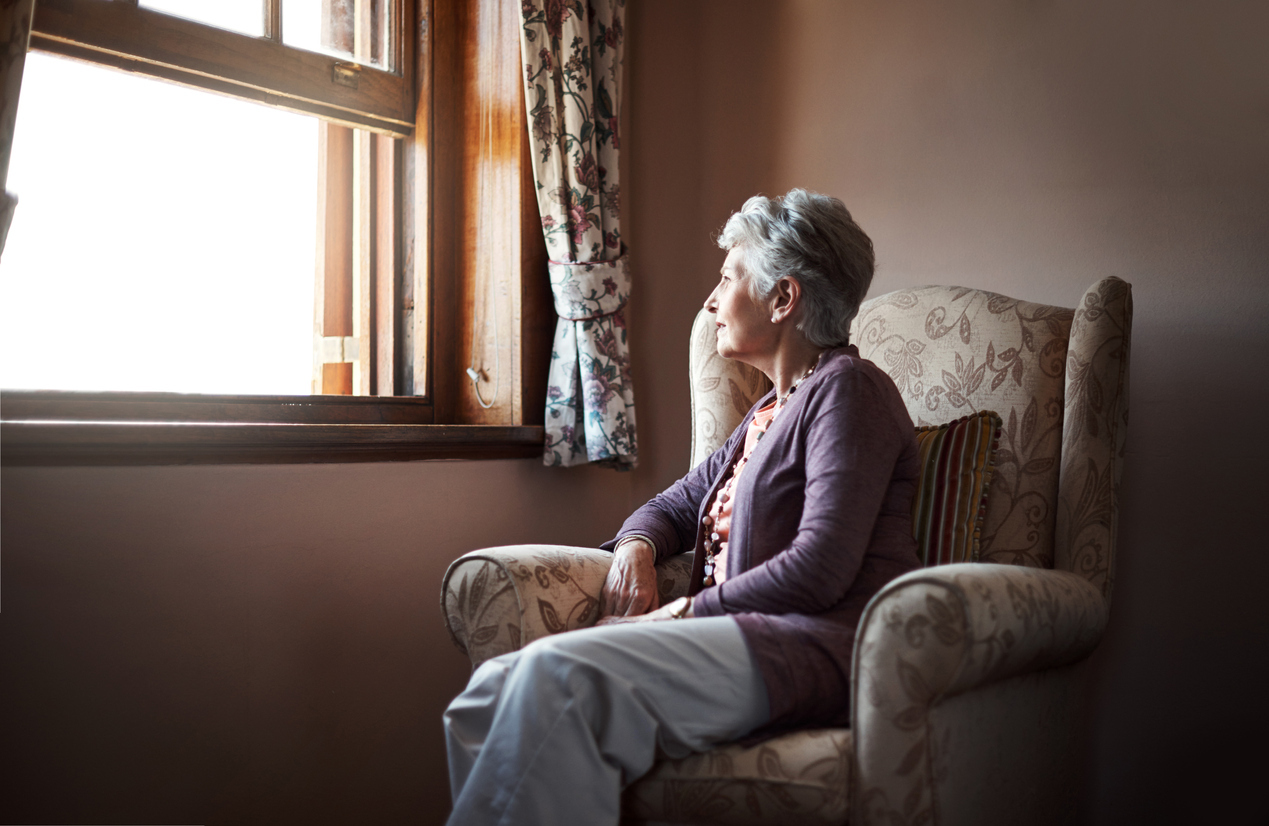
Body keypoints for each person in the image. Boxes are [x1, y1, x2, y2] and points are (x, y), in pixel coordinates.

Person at [443, 189, 922, 826]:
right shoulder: (767, 411)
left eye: (727, 278)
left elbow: (823, 565)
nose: (710, 300)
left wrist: (679, 613)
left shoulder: (850, 391)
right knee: (483, 698)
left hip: (814, 648)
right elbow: (676, 502)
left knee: (554, 681)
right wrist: (638, 547)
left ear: (784, 299)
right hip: (740, 639)